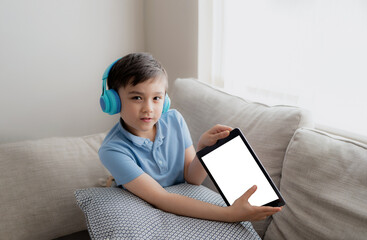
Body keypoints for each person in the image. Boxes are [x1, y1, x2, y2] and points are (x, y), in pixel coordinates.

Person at [98, 52, 282, 223]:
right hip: (148, 204)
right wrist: (229, 214)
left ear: (165, 100)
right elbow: (160, 198)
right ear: (113, 101)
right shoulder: (112, 150)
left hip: (177, 199)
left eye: (156, 98)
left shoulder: (175, 120)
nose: (149, 108)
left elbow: (192, 179)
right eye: (137, 98)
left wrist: (202, 149)